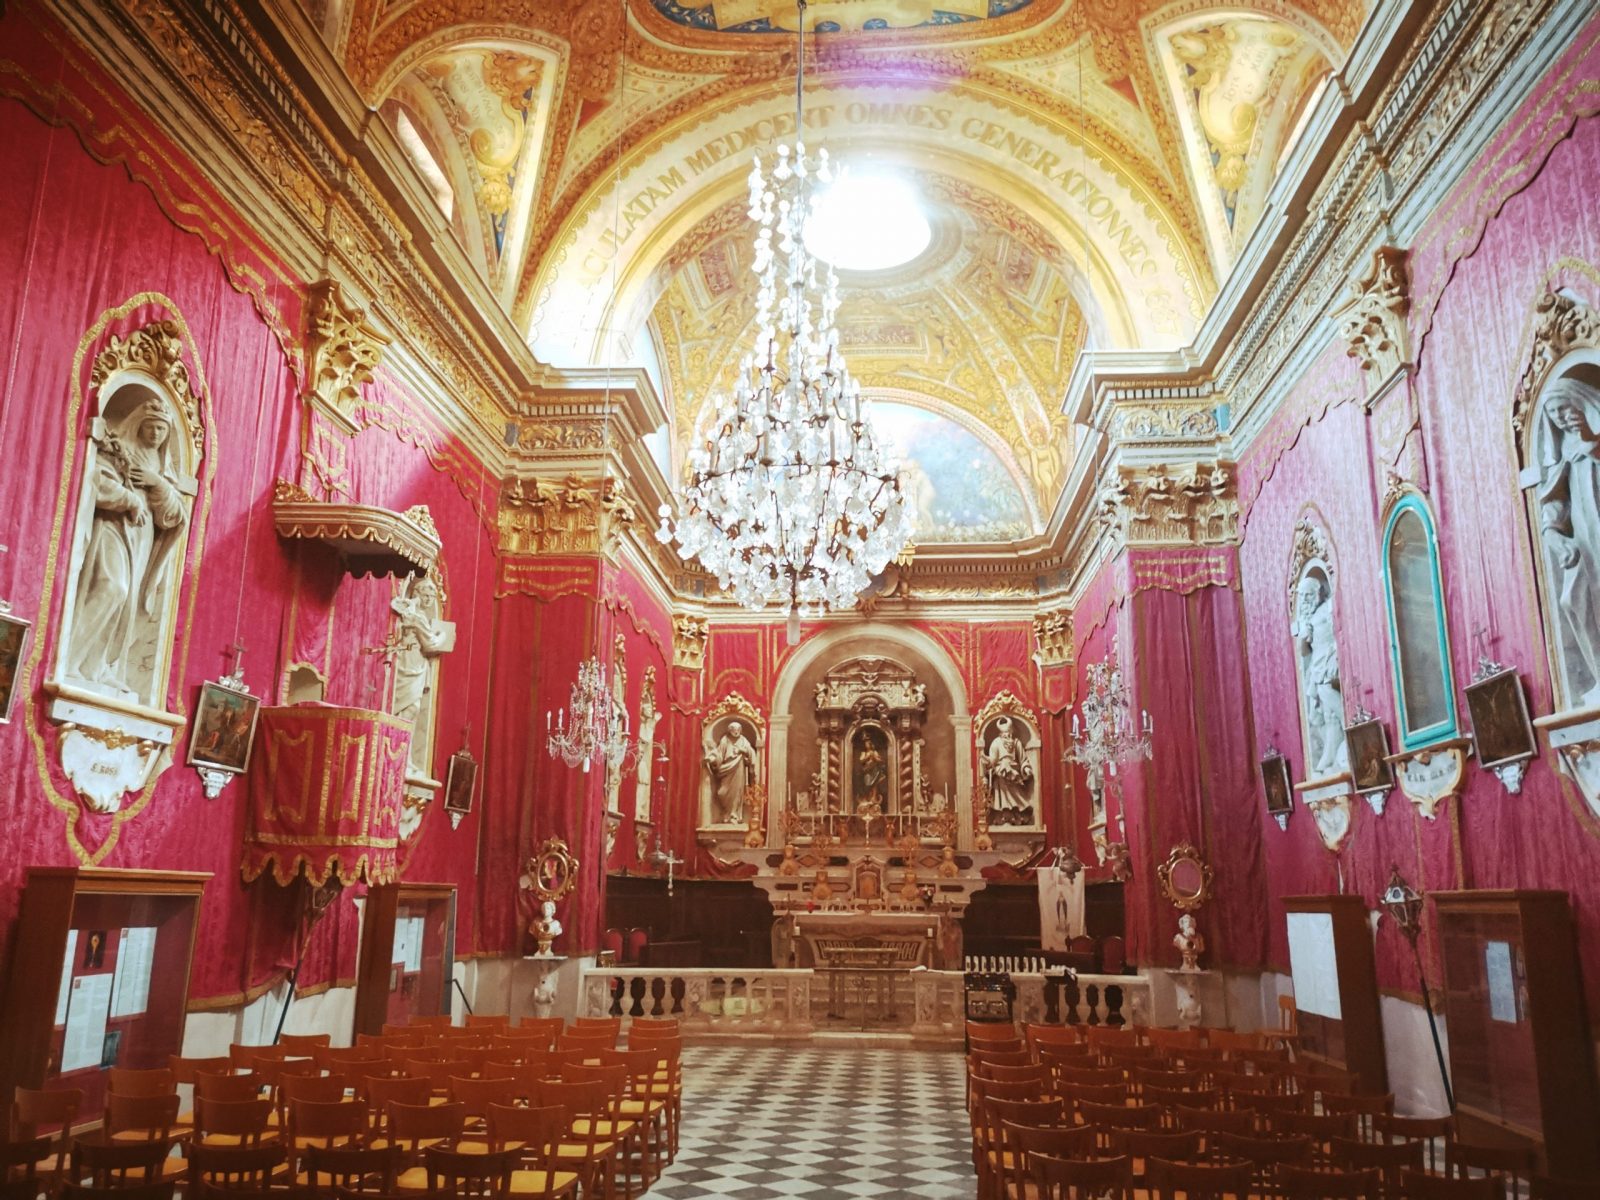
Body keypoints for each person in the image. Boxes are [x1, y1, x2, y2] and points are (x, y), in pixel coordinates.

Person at [67, 397, 190, 699]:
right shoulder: (119, 448)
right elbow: (98, 482)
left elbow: (173, 516)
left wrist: (158, 484)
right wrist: (129, 499)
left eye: (162, 430)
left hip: (142, 538)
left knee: (126, 604)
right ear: (139, 425)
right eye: (151, 427)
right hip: (113, 527)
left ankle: (99, 667)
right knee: (112, 587)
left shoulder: (162, 465)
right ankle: (72, 659)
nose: (156, 434)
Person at [1536, 378, 1600, 706]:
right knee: (1571, 599)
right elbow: (1555, 500)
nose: (1560, 418)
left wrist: (1591, 439)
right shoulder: (1567, 450)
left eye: (1563, 408)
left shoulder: (1591, 438)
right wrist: (1554, 535)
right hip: (1586, 545)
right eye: (1553, 414)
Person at [1292, 573, 1348, 777]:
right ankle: (1331, 755)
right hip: (1316, 664)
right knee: (1325, 714)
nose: (1305, 599)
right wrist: (1303, 635)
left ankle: (1350, 733)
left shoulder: (1327, 608)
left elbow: (1338, 632)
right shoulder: (1308, 618)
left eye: (1308, 595)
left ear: (1317, 593)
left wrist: (1335, 657)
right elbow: (1304, 652)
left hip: (1328, 660)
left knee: (1328, 696)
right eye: (1302, 596)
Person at [983, 716, 1035, 822]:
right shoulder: (996, 742)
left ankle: (1017, 815)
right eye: (1004, 734)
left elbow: (1023, 759)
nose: (1007, 735)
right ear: (1000, 733)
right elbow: (993, 760)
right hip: (1001, 773)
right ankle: (1003, 815)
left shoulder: (1016, 743)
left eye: (1008, 733)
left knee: (1017, 796)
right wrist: (987, 761)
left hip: (1014, 773)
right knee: (1001, 796)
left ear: (1011, 731)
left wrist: (1026, 768)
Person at [705, 719, 757, 824]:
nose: (736, 731)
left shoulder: (743, 740)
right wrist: (713, 759)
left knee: (737, 792)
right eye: (733, 729)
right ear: (729, 730)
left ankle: (734, 815)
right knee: (722, 792)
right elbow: (719, 753)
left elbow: (751, 752)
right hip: (726, 769)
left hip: (738, 769)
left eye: (738, 729)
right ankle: (726, 813)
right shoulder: (725, 740)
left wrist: (743, 750)